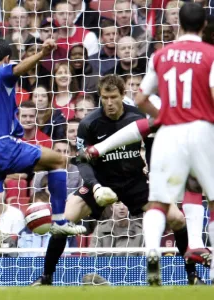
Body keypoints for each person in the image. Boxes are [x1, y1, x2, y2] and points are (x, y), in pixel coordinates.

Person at [31, 75, 202, 286]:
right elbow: (83, 162)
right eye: (105, 98)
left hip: (134, 181)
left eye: (113, 97)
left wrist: (153, 172)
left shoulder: (138, 117)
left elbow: (151, 148)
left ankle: (192, 276)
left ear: (123, 95)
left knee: (177, 218)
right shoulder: (89, 123)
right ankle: (46, 277)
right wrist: (95, 187)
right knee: (64, 222)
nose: (109, 103)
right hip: (102, 182)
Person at [0, 38, 86, 286]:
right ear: (6, 58)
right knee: (59, 160)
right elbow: (17, 70)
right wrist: (42, 53)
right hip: (1, 144)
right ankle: (60, 221)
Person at [133, 3, 214, 285]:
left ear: (178, 23)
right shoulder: (211, 54)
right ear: (204, 25)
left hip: (169, 133)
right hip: (202, 130)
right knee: (210, 196)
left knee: (158, 200)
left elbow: (140, 99)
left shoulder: (160, 55)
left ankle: (153, 250)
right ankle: (210, 265)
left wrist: (163, 116)